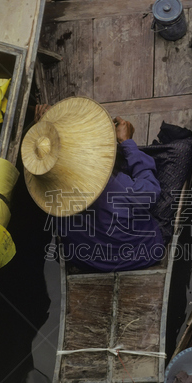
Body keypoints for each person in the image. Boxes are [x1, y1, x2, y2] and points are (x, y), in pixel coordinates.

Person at [22, 97, 164, 271]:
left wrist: (46, 128)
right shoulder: (115, 187)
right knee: (179, 152)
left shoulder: (46, 189)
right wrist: (128, 144)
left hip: (86, 262)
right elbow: (152, 191)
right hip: (141, 254)